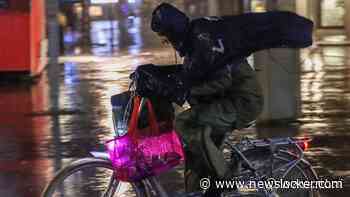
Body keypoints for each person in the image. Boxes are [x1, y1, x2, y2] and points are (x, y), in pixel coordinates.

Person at [150, 3, 264, 196]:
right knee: (195, 153)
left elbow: (222, 81)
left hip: (242, 101)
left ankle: (225, 180)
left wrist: (189, 91)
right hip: (224, 101)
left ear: (174, 32)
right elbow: (194, 72)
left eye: (167, 39)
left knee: (185, 122)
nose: (168, 44)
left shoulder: (204, 41)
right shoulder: (194, 40)